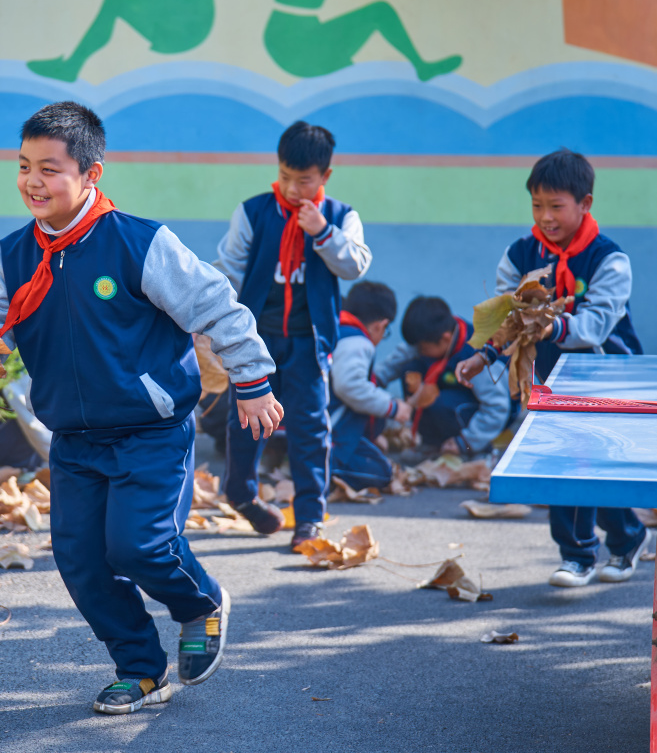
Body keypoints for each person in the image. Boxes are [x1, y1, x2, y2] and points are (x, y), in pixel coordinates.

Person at [0, 102, 282, 715]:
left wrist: (253, 380)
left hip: (151, 432)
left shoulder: (140, 243)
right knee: (81, 562)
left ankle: (201, 604)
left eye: (50, 169)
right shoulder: (15, 253)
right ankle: (139, 668)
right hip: (76, 439)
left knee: (139, 547)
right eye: (25, 165)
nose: (34, 181)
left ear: (92, 173)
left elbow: (216, 304)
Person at [456, 149, 650, 588]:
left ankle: (598, 548)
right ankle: (606, 545)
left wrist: (551, 323)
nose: (545, 216)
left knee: (587, 465)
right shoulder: (519, 254)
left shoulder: (609, 260)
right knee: (567, 463)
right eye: (537, 206)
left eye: (556, 206)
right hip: (550, 378)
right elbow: (506, 316)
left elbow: (596, 325)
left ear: (586, 204)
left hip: (605, 376)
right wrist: (483, 354)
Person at [214, 120, 372, 550]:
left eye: (304, 180)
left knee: (309, 430)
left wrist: (321, 231)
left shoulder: (341, 217)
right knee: (245, 423)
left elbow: (355, 265)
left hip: (308, 343)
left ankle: (308, 520)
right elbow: (228, 268)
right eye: (285, 177)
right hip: (255, 342)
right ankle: (242, 495)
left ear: (325, 177)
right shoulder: (253, 212)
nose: (292, 188)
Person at [264, 0, 462, 82]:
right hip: (303, 45)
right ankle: (421, 67)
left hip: (281, 38)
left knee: (349, 73)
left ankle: (421, 67)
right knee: (380, 11)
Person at [27, 0, 213, 83]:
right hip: (181, 24)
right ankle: (71, 67)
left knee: (115, 0)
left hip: (179, 31)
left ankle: (71, 67)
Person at [374, 296, 513, 458]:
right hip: (452, 395)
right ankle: (429, 441)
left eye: (423, 348)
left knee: (438, 403)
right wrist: (369, 385)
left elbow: (497, 407)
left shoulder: (476, 357)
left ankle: (472, 448)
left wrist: (467, 441)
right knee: (410, 368)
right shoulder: (431, 335)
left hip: (488, 413)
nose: (419, 350)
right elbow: (394, 363)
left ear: (445, 338)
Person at [329, 281, 409, 490]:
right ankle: (322, 468)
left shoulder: (335, 329)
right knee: (381, 473)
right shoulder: (357, 342)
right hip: (329, 434)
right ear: (380, 326)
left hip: (305, 426)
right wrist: (393, 407)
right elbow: (350, 387)